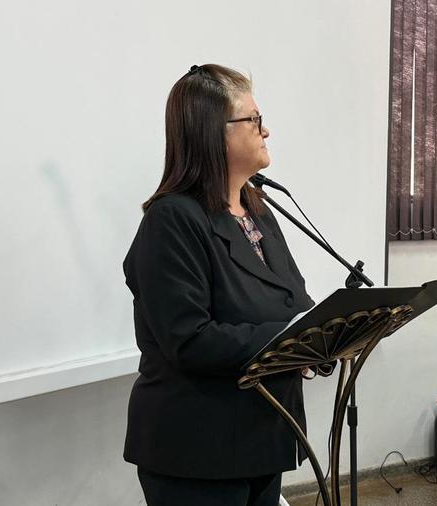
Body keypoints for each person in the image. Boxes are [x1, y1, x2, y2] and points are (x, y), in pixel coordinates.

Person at [122, 64, 314, 506]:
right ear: (215, 132)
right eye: (254, 119)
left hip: (262, 437)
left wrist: (324, 337)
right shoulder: (171, 220)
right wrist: (293, 339)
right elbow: (190, 340)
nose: (266, 131)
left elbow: (292, 300)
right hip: (198, 449)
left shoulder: (258, 211)